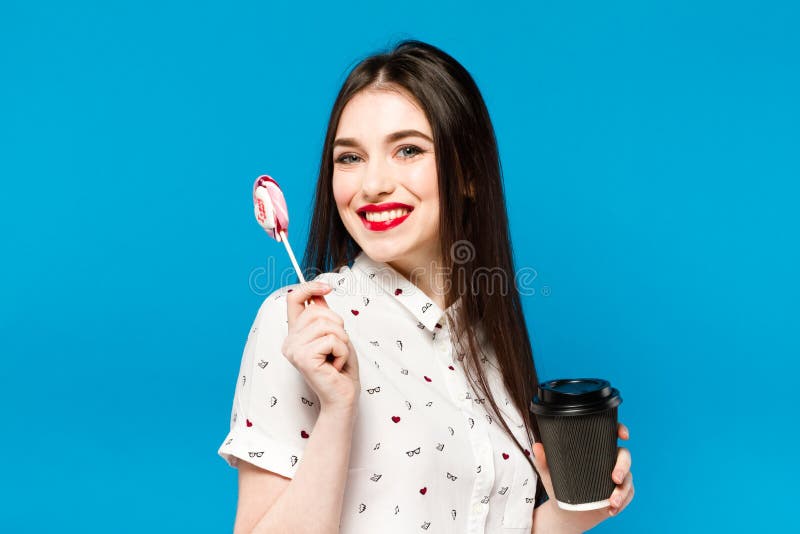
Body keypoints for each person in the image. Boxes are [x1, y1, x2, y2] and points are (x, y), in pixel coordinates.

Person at [218, 40, 634, 534]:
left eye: (408, 150)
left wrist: (576, 507)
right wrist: (337, 409)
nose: (372, 184)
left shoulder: (485, 337)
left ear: (469, 174)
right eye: (349, 158)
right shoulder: (303, 324)